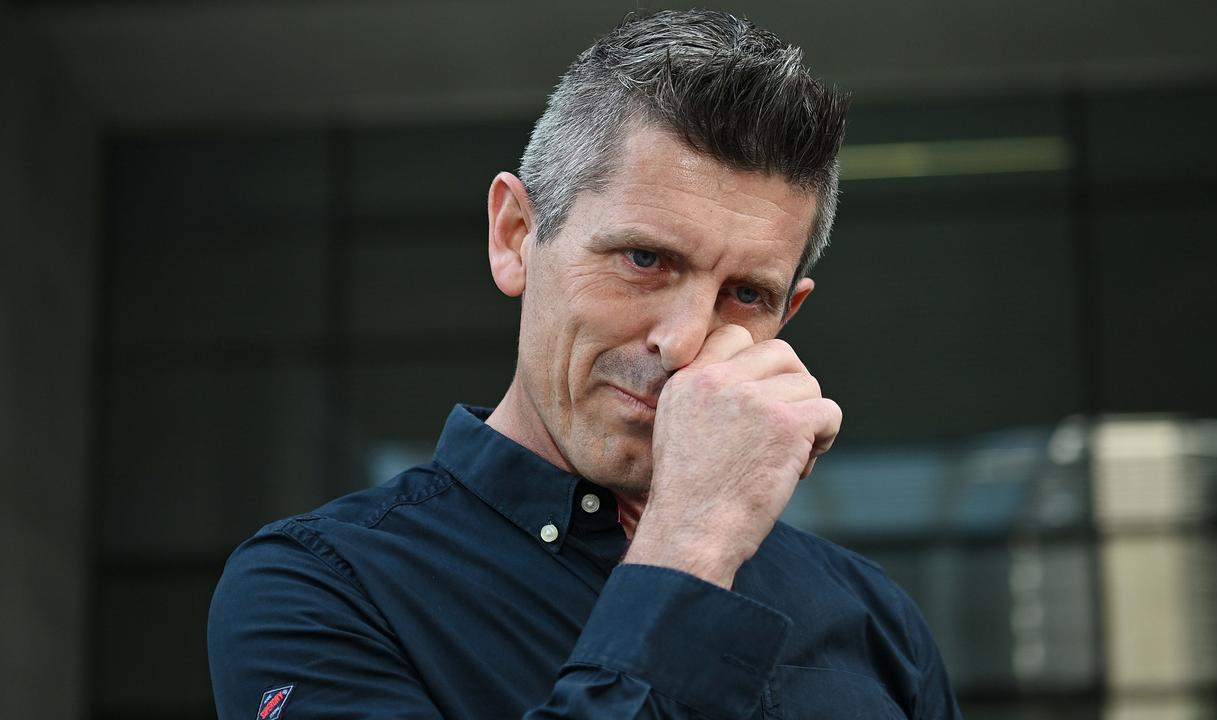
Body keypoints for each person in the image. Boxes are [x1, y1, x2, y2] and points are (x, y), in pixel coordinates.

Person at [209, 9, 962, 720]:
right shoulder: (321, 587)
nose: (683, 340)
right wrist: (689, 547)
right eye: (644, 259)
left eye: (744, 294)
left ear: (786, 316)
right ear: (514, 236)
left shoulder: (872, 618)